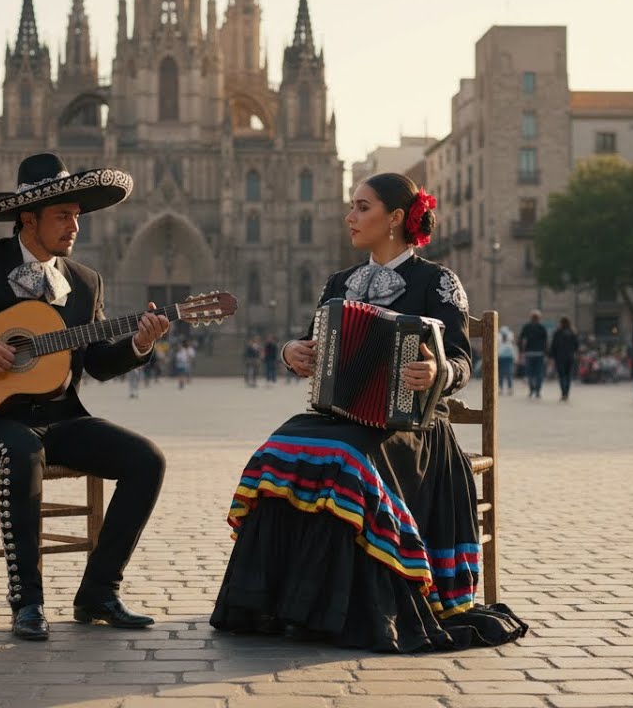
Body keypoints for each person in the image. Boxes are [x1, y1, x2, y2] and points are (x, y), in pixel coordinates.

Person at [211, 172, 526, 652]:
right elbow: (309, 343)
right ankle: (282, 598)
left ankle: (342, 605)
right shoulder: (340, 284)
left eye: (362, 207)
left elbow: (463, 360)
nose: (350, 216)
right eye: (352, 206)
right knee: (279, 450)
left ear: (395, 218)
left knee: (344, 458)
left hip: (415, 428)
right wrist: (291, 352)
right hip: (344, 419)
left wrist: (437, 370)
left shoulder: (436, 281)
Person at [0, 153, 169, 641]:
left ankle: (98, 594)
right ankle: (28, 604)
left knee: (147, 460)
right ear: (29, 218)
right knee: (23, 453)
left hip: (62, 418)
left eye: (77, 216)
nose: (74, 226)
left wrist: (140, 344)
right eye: (63, 216)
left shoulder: (84, 283)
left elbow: (97, 363)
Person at [517, 310, 548, 398]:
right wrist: (546, 353)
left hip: (529, 353)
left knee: (529, 373)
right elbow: (546, 342)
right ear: (539, 318)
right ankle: (538, 391)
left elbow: (521, 339)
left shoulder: (527, 327)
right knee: (539, 373)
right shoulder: (542, 327)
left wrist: (521, 350)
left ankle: (531, 390)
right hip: (539, 353)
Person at [549, 317, 579, 401]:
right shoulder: (573, 333)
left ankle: (563, 393)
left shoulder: (557, 333)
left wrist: (551, 356)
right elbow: (577, 345)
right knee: (568, 376)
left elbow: (553, 346)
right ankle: (566, 393)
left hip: (560, 357)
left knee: (562, 376)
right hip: (570, 357)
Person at [496, 327, 517, 395]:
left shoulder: (509, 344)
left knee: (509, 374)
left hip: (508, 359)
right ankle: (500, 388)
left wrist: (515, 358)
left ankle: (509, 388)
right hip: (502, 359)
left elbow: (513, 352)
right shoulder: (499, 343)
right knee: (501, 374)